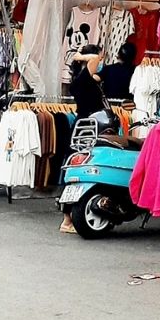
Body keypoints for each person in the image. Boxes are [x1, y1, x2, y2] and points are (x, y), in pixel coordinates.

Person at [61, 44, 105, 233]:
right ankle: (68, 219)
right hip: (86, 130)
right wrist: (82, 56)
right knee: (79, 171)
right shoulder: (83, 79)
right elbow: (94, 61)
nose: (101, 61)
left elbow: (95, 75)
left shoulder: (84, 79)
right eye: (100, 57)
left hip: (86, 128)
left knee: (78, 170)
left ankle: (70, 218)